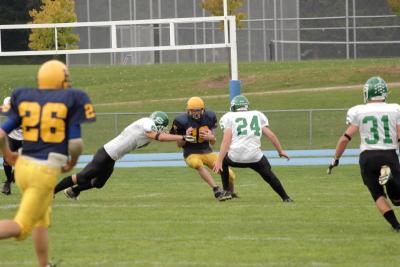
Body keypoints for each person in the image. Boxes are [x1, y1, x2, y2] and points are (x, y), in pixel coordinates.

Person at [0, 59, 96, 267]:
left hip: (23, 166)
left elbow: (1, 134)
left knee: (41, 220)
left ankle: (44, 265)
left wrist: (7, 154)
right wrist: (72, 163)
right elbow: (76, 144)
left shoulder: (26, 99)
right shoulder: (70, 100)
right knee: (21, 226)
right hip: (43, 172)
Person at [54, 111, 195, 199]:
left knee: (99, 183)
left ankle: (73, 191)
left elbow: (162, 135)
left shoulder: (148, 128)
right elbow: (158, 136)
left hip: (112, 157)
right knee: (82, 177)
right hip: (106, 153)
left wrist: (181, 135)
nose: (161, 129)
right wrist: (181, 137)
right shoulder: (147, 123)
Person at [327, 76, 400, 232]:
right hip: (389, 154)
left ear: (367, 93)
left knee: (378, 195)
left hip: (368, 157)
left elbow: (345, 139)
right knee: (398, 199)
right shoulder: (395, 109)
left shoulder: (358, 111)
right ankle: (390, 179)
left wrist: (336, 159)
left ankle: (396, 226)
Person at [213, 95, 293, 202]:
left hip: (235, 157)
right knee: (269, 176)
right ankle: (285, 197)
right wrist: (280, 151)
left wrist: (219, 160)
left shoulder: (228, 117)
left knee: (223, 161)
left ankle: (227, 191)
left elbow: (226, 141)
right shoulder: (257, 115)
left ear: (233, 107)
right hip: (255, 157)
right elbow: (271, 135)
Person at [170, 96, 236, 200]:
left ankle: (230, 193)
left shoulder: (209, 117)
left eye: (198, 110)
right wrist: (185, 137)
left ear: (203, 109)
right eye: (192, 111)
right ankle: (216, 189)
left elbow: (213, 142)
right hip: (190, 153)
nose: (195, 113)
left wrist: (211, 137)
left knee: (231, 176)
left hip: (207, 152)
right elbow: (179, 145)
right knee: (197, 163)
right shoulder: (180, 121)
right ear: (188, 110)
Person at [1, 97, 23, 195]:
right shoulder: (7, 106)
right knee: (7, 161)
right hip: (11, 137)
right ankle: (8, 182)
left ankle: (13, 177)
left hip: (26, 139)